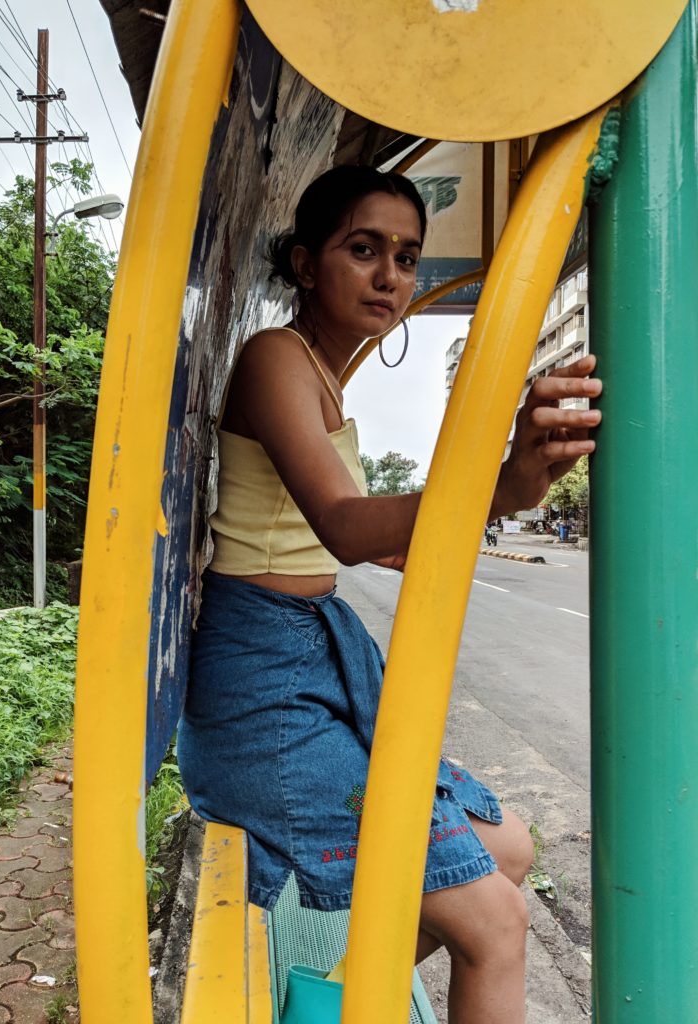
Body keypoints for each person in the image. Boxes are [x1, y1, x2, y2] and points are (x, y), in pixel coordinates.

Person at [176, 165, 602, 1024]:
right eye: (363, 249)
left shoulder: (323, 375)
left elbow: (352, 536)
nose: (390, 276)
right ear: (305, 264)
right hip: (264, 693)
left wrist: (460, 520)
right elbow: (342, 524)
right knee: (497, 924)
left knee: (511, 850)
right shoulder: (275, 359)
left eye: (406, 258)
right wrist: (503, 485)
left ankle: (342, 1003)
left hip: (306, 659)